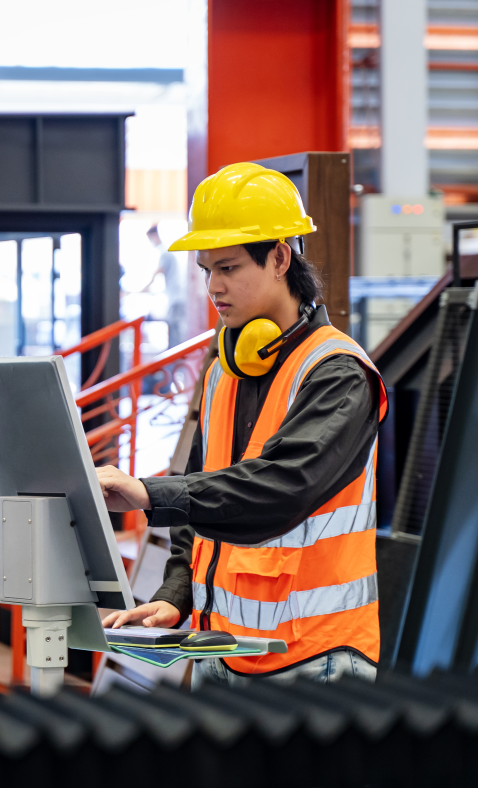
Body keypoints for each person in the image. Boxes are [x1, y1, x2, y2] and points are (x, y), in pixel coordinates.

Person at [96, 162, 388, 688]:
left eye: (228, 267)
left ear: (279, 258)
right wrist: (176, 594)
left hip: (314, 658)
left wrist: (147, 493)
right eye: (206, 270)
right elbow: (203, 495)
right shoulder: (223, 373)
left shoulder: (338, 373)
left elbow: (279, 488)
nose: (214, 286)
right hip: (223, 648)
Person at [147, 224, 188, 349]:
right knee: (174, 330)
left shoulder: (165, 253)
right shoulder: (167, 252)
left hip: (176, 298)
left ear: (154, 236)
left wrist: (145, 288)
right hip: (176, 296)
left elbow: (157, 272)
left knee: (175, 332)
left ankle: (176, 359)